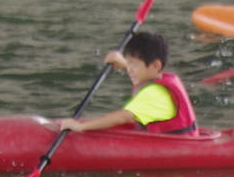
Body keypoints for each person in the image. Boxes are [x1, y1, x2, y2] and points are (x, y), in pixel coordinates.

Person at [50, 32, 197, 135]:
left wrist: (82, 127)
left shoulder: (154, 94)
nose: (130, 70)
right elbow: (142, 69)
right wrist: (124, 63)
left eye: (134, 64)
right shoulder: (156, 76)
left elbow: (123, 117)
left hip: (176, 147)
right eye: (129, 63)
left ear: (155, 66)